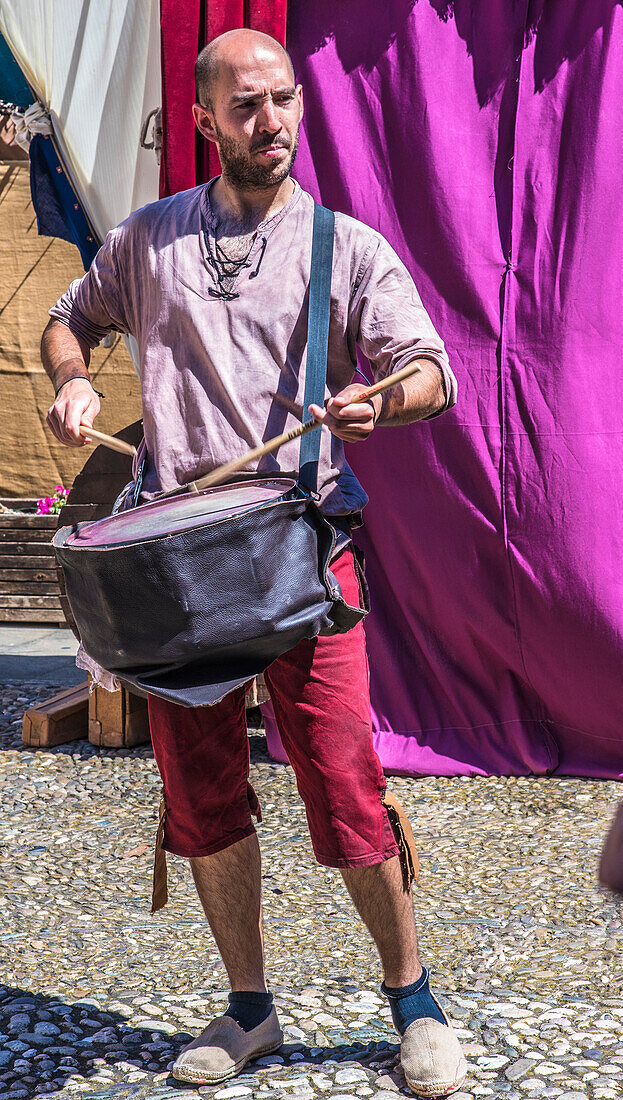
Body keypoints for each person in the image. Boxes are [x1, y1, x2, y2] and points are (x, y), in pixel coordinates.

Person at [42, 29, 467, 1097]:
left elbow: (430, 372)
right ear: (203, 119)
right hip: (178, 572)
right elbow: (68, 318)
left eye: (281, 101)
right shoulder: (148, 242)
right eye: (246, 106)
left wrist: (381, 396)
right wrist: (73, 381)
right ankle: (249, 1007)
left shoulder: (344, 247)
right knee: (202, 798)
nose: (270, 121)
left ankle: (411, 996)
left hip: (299, 554)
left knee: (345, 786)